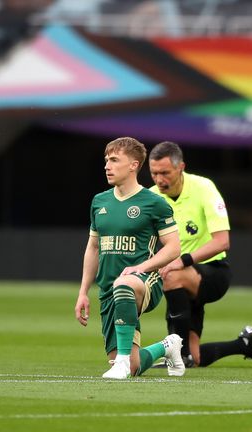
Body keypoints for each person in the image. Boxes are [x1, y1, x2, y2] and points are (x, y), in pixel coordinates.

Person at [147, 141, 252, 368]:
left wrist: (180, 261)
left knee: (172, 276)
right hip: (179, 279)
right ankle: (245, 344)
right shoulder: (151, 198)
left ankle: (178, 356)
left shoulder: (203, 188)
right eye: (154, 173)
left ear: (181, 167)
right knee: (198, 358)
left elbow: (222, 242)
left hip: (213, 273)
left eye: (165, 172)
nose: (159, 179)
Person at [75, 137, 186, 380]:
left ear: (134, 165)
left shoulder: (154, 203)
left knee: (123, 285)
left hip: (145, 280)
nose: (107, 166)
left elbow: (174, 247)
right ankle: (167, 347)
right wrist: (83, 291)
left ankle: (121, 363)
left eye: (114, 160)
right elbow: (93, 248)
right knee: (135, 366)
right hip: (108, 288)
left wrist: (141, 267)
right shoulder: (99, 201)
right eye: (106, 160)